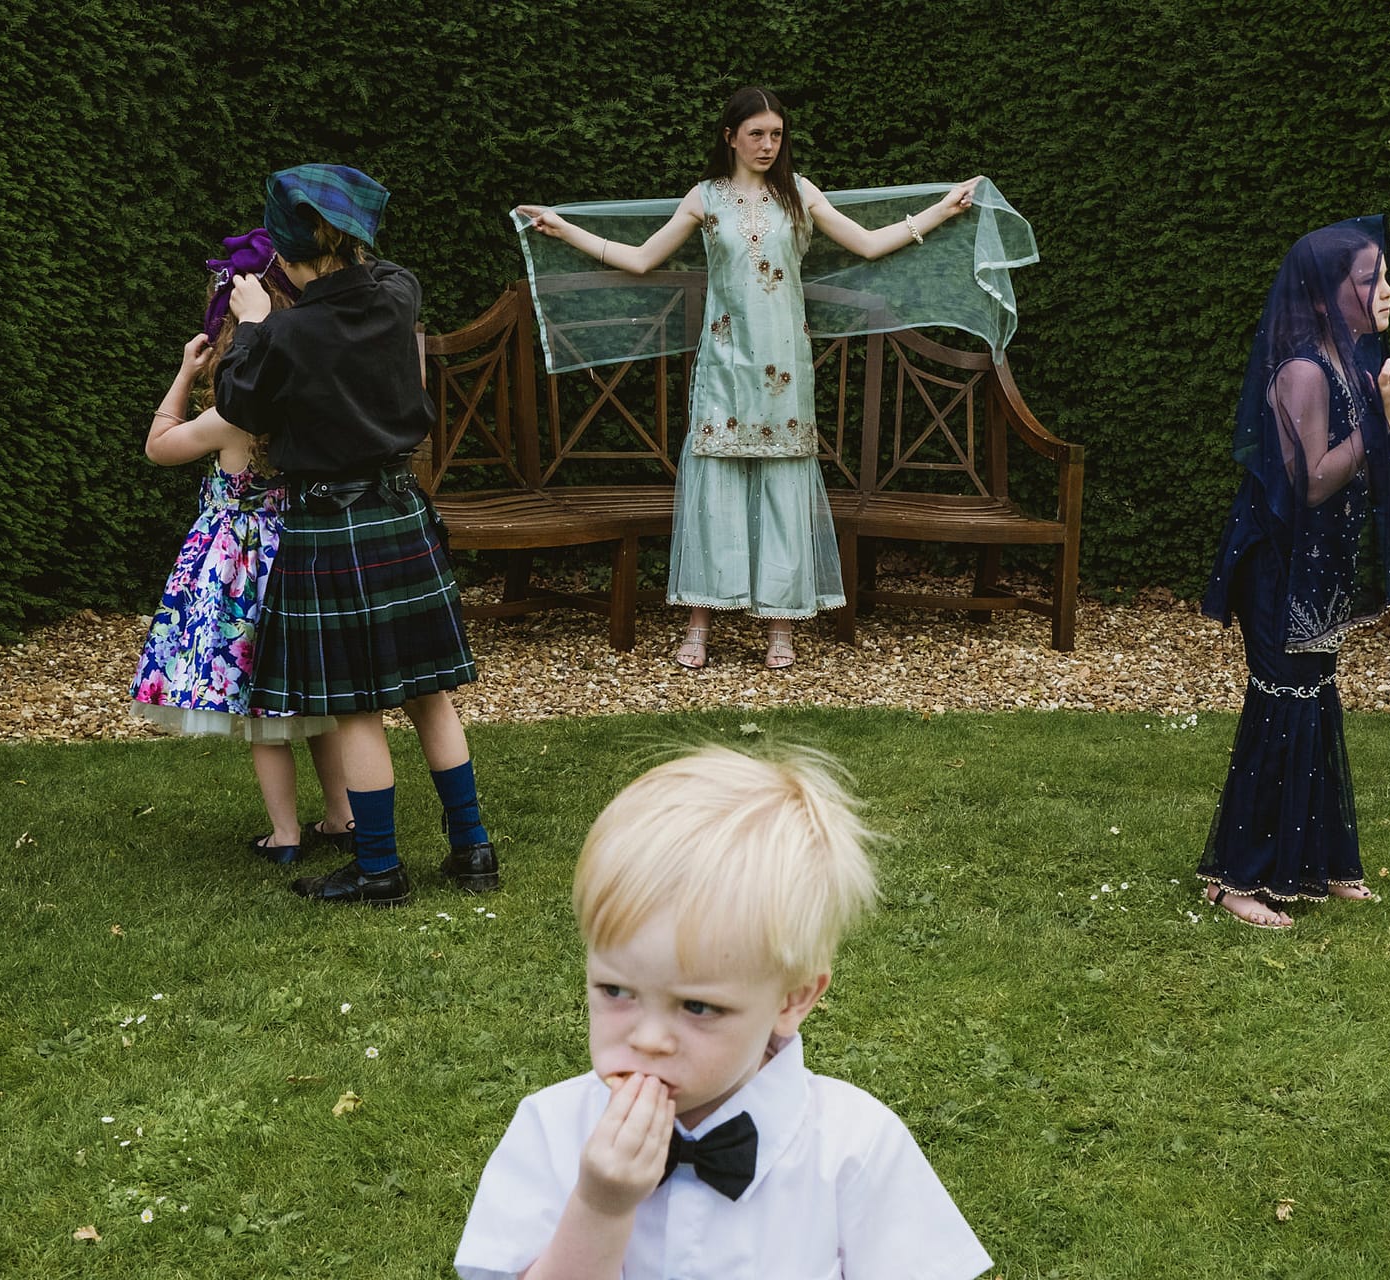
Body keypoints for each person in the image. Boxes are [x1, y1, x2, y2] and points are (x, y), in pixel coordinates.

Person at [454, 746, 993, 1280]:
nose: (647, 1039)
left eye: (697, 1006)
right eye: (617, 990)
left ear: (792, 999)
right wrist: (599, 1208)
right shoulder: (552, 1130)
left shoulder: (855, 1146)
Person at [517, 86, 984, 670]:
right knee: (716, 484)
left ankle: (780, 627)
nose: (768, 144)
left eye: (777, 134)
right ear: (730, 136)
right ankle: (699, 623)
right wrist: (564, 229)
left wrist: (942, 209)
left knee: (785, 488)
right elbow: (640, 259)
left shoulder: (799, 193)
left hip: (785, 366)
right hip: (723, 363)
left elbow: (866, 245)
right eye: (757, 133)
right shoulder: (706, 197)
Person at [211, 164, 497, 907]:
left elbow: (239, 401)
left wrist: (251, 323)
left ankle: (379, 869)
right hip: (400, 513)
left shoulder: (285, 333)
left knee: (361, 706)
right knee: (432, 697)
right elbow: (387, 269)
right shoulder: (396, 296)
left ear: (280, 249)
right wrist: (344, 252)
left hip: (332, 524)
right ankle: (472, 854)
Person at [1198, 216, 1390, 929]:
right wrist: (1382, 421)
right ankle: (1234, 879)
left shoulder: (1352, 363)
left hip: (1316, 562)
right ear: (1321, 296)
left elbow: (1370, 477)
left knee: (1315, 699)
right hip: (1278, 566)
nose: (1388, 290)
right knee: (1281, 705)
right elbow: (1310, 484)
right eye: (1371, 280)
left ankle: (1321, 863)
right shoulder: (1306, 372)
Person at [129, 228, 353, 865]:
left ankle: (284, 835)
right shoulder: (311, 393)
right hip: (304, 551)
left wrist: (183, 372)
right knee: (313, 701)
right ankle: (339, 817)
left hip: (241, 566)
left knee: (260, 708)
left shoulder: (235, 411)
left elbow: (160, 446)